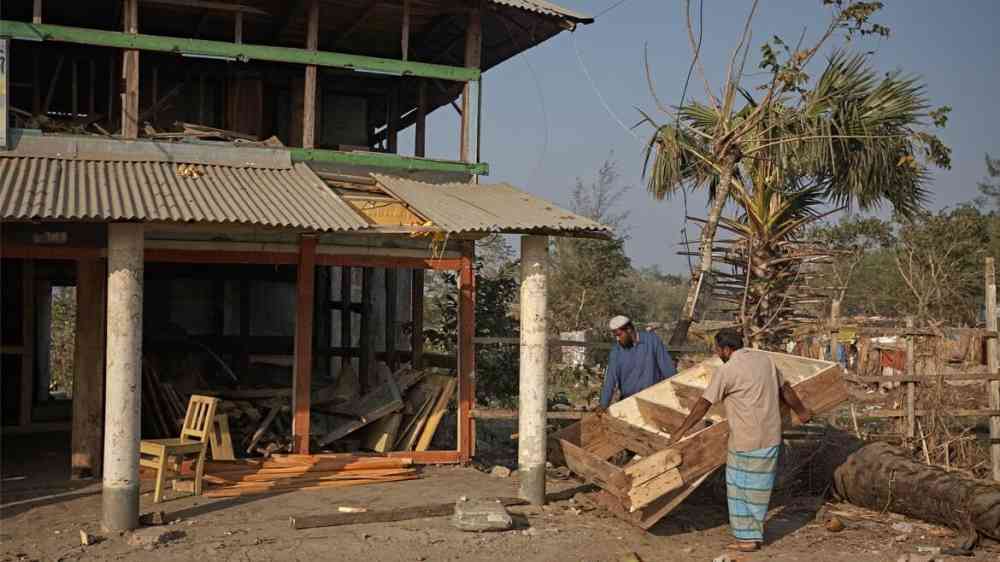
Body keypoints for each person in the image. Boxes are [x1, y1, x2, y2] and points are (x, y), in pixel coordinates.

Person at [668, 328, 813, 553]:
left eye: (717, 349)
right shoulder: (765, 360)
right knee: (759, 488)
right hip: (770, 436)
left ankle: (747, 539)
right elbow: (786, 389)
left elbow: (704, 404)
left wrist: (681, 430)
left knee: (738, 489)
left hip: (746, 439)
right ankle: (753, 536)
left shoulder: (728, 370)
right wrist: (802, 412)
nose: (717, 353)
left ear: (727, 349)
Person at [596, 315, 677, 411]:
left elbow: (667, 368)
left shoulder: (652, 340)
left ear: (629, 329)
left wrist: (677, 391)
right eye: (615, 336)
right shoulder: (616, 351)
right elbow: (610, 379)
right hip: (629, 403)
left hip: (654, 399)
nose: (617, 339)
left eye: (619, 335)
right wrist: (603, 405)